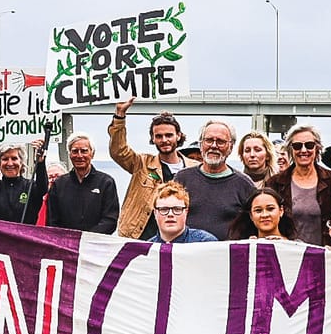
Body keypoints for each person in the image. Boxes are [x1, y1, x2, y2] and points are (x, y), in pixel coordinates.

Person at [108, 99, 191, 238]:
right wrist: (119, 115)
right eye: (158, 136)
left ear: (178, 136)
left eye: (169, 135)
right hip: (140, 238)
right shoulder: (142, 164)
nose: (164, 140)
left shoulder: (193, 168)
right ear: (152, 139)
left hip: (179, 240)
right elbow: (118, 151)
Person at [176, 121, 257, 241]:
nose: (214, 146)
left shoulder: (244, 185)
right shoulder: (182, 179)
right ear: (201, 144)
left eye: (221, 141)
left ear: (231, 147)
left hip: (228, 257)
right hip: (186, 255)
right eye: (209, 140)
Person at [262, 123, 331, 245]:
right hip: (288, 254)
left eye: (309, 145)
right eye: (297, 146)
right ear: (290, 149)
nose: (303, 150)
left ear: (317, 148)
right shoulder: (275, 183)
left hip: (324, 255)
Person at [43, 133, 120, 233]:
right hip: (65, 244)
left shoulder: (106, 183)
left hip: (95, 244)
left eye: (84, 151)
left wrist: (85, 239)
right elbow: (52, 221)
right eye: (75, 151)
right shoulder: (59, 184)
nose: (79, 156)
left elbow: (110, 220)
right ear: (69, 154)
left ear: (92, 154)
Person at [147, 180, 217, 244]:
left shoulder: (206, 243)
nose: (170, 214)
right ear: (155, 213)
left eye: (177, 209)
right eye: (164, 209)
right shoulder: (147, 249)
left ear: (186, 212)